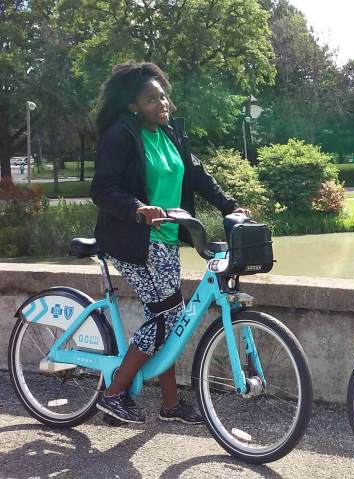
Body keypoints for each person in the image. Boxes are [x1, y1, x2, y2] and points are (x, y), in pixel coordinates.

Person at [90, 61, 250, 425]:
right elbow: (102, 189)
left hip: (165, 241)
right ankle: (113, 393)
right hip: (132, 239)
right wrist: (137, 208)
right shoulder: (121, 135)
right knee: (168, 316)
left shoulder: (170, 134)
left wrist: (229, 205)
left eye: (163, 96)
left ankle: (170, 405)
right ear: (133, 105)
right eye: (151, 99)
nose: (162, 104)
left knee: (165, 318)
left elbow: (197, 175)